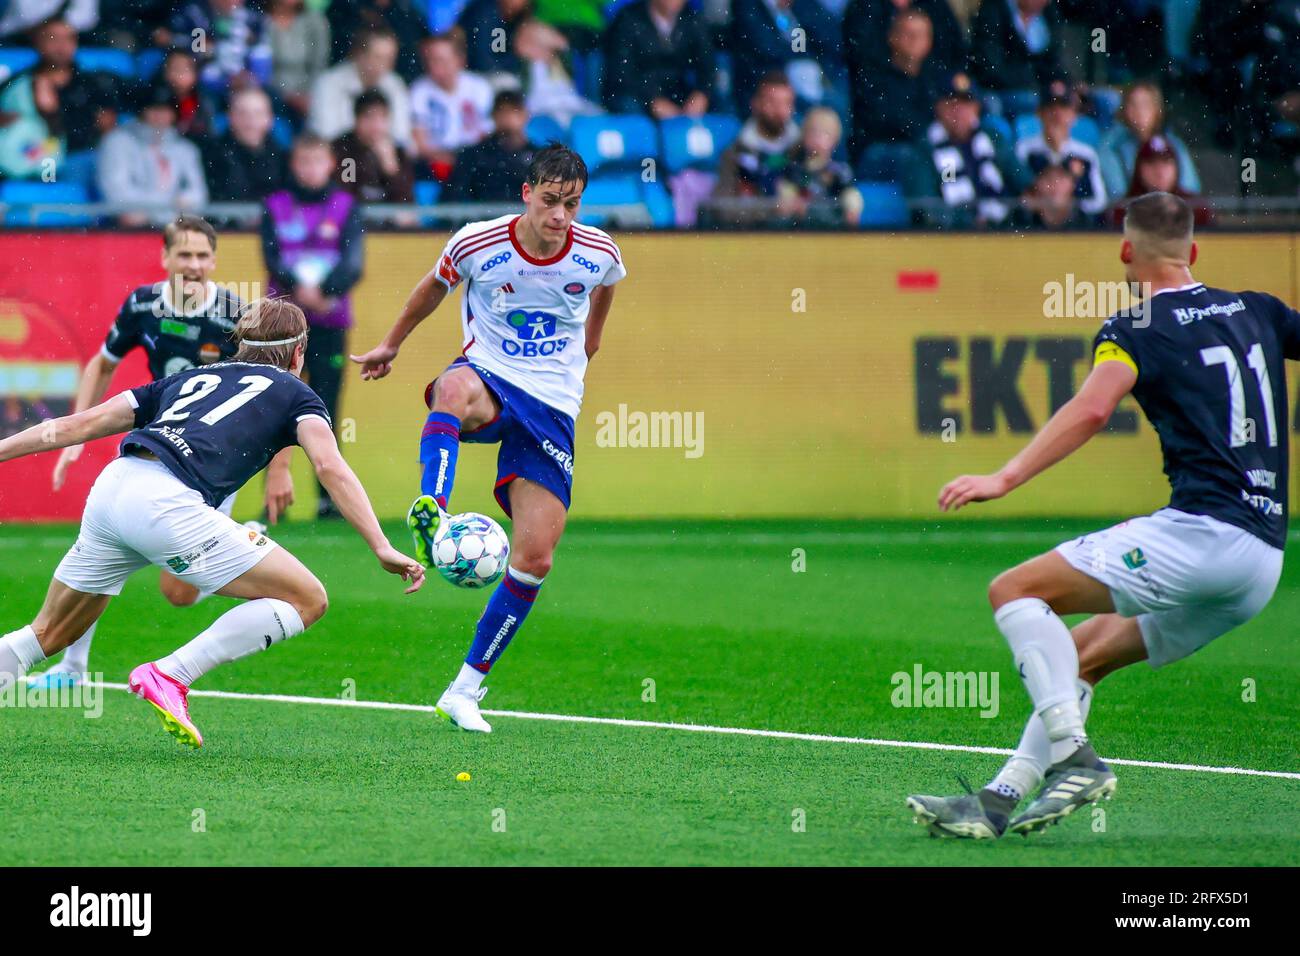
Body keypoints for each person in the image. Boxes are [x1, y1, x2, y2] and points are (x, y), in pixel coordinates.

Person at [909, 192, 1296, 838]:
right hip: (1262, 563)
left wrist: (1004, 476)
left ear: (1125, 250)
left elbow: (1091, 410)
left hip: (1205, 532)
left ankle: (1074, 756)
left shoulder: (1132, 329)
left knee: (1014, 590)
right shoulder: (1260, 311)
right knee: (1082, 652)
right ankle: (1000, 799)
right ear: (1194, 252)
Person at [0, 299, 425, 747]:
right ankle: (170, 674)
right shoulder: (297, 393)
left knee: (45, 634)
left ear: (238, 344)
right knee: (308, 599)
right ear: (299, 351)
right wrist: (380, 544)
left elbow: (78, 425)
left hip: (113, 488)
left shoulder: (189, 378)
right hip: (167, 506)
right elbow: (330, 467)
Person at [350, 144, 625, 734]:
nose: (560, 216)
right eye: (550, 201)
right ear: (526, 194)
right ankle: (435, 508)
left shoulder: (599, 251)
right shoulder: (479, 242)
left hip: (552, 405)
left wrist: (586, 352)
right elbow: (432, 287)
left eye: (571, 205)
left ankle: (465, 690)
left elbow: (605, 292)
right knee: (450, 389)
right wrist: (391, 344)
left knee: (534, 558)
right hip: (492, 376)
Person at [37, 215, 294, 687]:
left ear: (214, 260)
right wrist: (76, 436)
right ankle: (71, 668)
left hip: (212, 465)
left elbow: (281, 389)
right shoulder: (142, 305)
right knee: (96, 548)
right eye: (184, 255)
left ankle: (247, 537)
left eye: (202, 256)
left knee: (178, 594)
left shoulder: (238, 316)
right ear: (166, 257)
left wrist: (281, 467)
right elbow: (102, 363)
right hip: (154, 450)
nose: (193, 265)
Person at [262, 135, 365, 519]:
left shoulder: (346, 206)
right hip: (280, 326)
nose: (310, 168)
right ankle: (273, 501)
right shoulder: (275, 205)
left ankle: (328, 501)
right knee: (271, 408)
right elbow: (272, 255)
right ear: (295, 164)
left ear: (330, 164)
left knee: (325, 409)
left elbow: (354, 262)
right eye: (303, 160)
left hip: (329, 322)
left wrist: (326, 290)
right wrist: (302, 290)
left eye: (317, 160)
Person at [96, 85, 209, 226]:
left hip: (174, 227)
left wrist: (158, 212)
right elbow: (117, 195)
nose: (160, 116)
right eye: (154, 109)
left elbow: (198, 195)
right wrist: (171, 204)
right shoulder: (116, 142)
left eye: (166, 110)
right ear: (142, 112)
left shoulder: (185, 149)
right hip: (131, 229)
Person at [308, 24, 412, 148]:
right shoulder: (329, 83)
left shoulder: (395, 84)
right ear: (359, 54)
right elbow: (327, 132)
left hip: (381, 155)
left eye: (389, 58)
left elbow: (401, 134)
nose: (384, 65)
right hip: (341, 156)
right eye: (378, 57)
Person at [409, 31, 494, 182]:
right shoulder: (419, 90)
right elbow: (419, 139)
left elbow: (487, 134)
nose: (434, 66)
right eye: (431, 60)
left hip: (473, 157)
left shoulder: (479, 87)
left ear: (459, 60)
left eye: (441, 60)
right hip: (435, 161)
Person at [1014, 81, 1106, 217]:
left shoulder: (1085, 154)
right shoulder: (1024, 150)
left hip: (1075, 229)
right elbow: (1019, 199)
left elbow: (1099, 201)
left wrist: (1071, 198)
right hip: (1034, 229)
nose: (1057, 115)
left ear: (1074, 115)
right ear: (1039, 113)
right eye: (1050, 108)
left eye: (1063, 108)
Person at [442, 90, 537, 203]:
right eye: (503, 112)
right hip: (483, 218)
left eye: (513, 112)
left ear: (525, 115)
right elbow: (454, 197)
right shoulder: (473, 155)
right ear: (494, 116)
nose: (507, 118)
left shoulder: (539, 158)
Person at [331, 89, 417, 204]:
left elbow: (407, 200)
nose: (376, 125)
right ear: (357, 119)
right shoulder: (344, 149)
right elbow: (346, 194)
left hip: (387, 218)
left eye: (382, 117)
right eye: (369, 117)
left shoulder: (398, 151)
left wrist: (391, 167)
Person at [206, 86, 289, 200]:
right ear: (230, 116)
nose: (250, 120)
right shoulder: (210, 156)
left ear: (270, 118)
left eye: (258, 113)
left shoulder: (284, 159)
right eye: (242, 113)